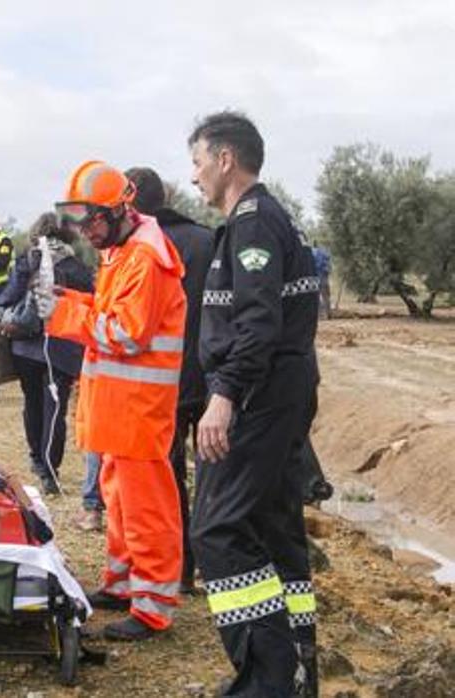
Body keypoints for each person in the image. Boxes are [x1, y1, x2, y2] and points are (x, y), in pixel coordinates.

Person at [187, 111, 321, 697]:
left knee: (217, 528)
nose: (193, 177)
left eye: (196, 163)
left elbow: (258, 323)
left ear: (224, 160)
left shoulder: (255, 222)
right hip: (276, 398)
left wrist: (223, 395)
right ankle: (295, 675)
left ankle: (268, 681)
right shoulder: (255, 222)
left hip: (259, 402)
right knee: (274, 531)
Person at [40, 160, 187, 641]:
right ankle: (123, 583)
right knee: (119, 500)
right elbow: (110, 313)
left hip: (138, 410)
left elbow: (125, 332)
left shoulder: (145, 258)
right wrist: (70, 299)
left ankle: (153, 607)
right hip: (118, 409)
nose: (86, 232)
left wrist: (62, 312)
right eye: (80, 223)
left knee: (146, 508)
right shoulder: (122, 249)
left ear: (120, 209)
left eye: (92, 222)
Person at [126, 166, 214, 594]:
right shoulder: (207, 240)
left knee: (166, 481)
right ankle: (210, 566)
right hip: (214, 379)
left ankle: (175, 570)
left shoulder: (140, 248)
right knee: (214, 477)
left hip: (160, 384)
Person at [0, 213, 94, 494]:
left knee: (32, 403)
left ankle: (37, 459)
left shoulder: (28, 259)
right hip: (62, 347)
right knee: (55, 409)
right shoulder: (76, 266)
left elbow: (8, 296)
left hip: (25, 345)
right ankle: (50, 470)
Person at [312, 245, 332, 319]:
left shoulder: (311, 253)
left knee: (316, 296)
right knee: (326, 296)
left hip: (315, 277)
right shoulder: (325, 253)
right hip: (324, 277)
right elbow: (328, 268)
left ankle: (320, 314)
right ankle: (328, 313)